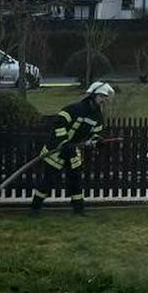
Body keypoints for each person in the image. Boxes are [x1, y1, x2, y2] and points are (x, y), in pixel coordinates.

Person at [31, 81, 115, 214]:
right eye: (101, 96)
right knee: (48, 180)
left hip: (73, 150)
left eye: (105, 97)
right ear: (93, 95)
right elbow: (59, 124)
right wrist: (63, 142)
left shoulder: (97, 116)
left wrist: (97, 141)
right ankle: (35, 208)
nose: (103, 100)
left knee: (75, 180)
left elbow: (96, 133)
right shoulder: (74, 109)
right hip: (56, 149)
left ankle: (79, 209)